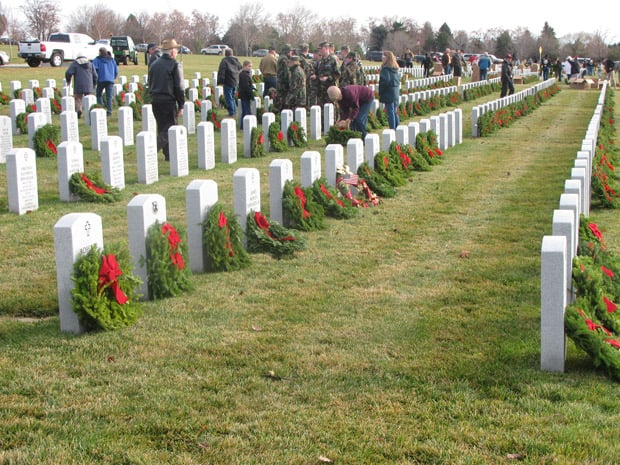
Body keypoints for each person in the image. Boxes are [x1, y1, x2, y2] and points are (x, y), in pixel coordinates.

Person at [147, 38, 185, 161]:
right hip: (168, 101)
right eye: (176, 50)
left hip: (155, 100)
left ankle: (169, 155)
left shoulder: (154, 65)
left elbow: (150, 82)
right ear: (172, 52)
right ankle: (151, 149)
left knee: (162, 127)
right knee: (170, 129)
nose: (177, 53)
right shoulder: (174, 65)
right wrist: (181, 105)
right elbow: (179, 86)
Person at [65, 54, 97, 119]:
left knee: (78, 99)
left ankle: (79, 110)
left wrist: (68, 80)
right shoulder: (90, 64)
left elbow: (68, 73)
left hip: (78, 84)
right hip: (88, 85)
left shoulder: (75, 64)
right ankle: (90, 112)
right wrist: (94, 84)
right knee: (89, 99)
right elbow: (95, 75)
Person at [92, 47, 118, 117]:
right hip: (110, 80)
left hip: (101, 80)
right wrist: (113, 77)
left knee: (99, 94)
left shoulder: (97, 60)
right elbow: (116, 70)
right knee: (109, 96)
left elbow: (94, 69)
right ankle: (109, 111)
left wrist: (95, 78)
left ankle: (101, 107)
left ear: (100, 52)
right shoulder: (112, 60)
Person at [217, 48, 242, 118]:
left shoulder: (224, 61)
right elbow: (240, 67)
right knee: (233, 97)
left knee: (228, 98)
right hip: (235, 81)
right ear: (232, 53)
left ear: (225, 54)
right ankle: (233, 111)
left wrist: (220, 81)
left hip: (228, 81)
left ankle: (231, 113)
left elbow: (221, 72)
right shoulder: (236, 60)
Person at [379, 51, 400, 130]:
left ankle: (392, 129)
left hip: (388, 93)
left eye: (384, 56)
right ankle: (398, 128)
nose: (382, 58)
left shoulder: (385, 69)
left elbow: (385, 81)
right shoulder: (395, 68)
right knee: (394, 111)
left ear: (387, 58)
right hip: (395, 92)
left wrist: (381, 91)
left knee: (390, 112)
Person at [315, 41, 340, 107]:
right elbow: (318, 72)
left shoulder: (333, 60)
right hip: (321, 89)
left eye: (321, 49)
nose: (319, 50)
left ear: (326, 48)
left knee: (331, 107)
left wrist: (328, 78)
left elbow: (338, 74)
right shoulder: (320, 61)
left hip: (331, 88)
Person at [275, 44, 293, 111]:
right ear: (287, 51)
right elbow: (287, 73)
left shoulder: (281, 57)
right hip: (283, 84)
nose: (291, 53)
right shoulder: (284, 59)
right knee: (284, 101)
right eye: (290, 51)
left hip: (280, 82)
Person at [237, 60, 254, 129]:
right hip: (245, 95)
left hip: (244, 95)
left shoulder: (245, 74)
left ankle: (242, 126)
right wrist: (251, 95)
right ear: (244, 66)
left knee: (245, 111)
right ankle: (245, 126)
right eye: (249, 66)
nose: (250, 68)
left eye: (251, 66)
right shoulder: (244, 75)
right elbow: (246, 87)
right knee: (246, 111)